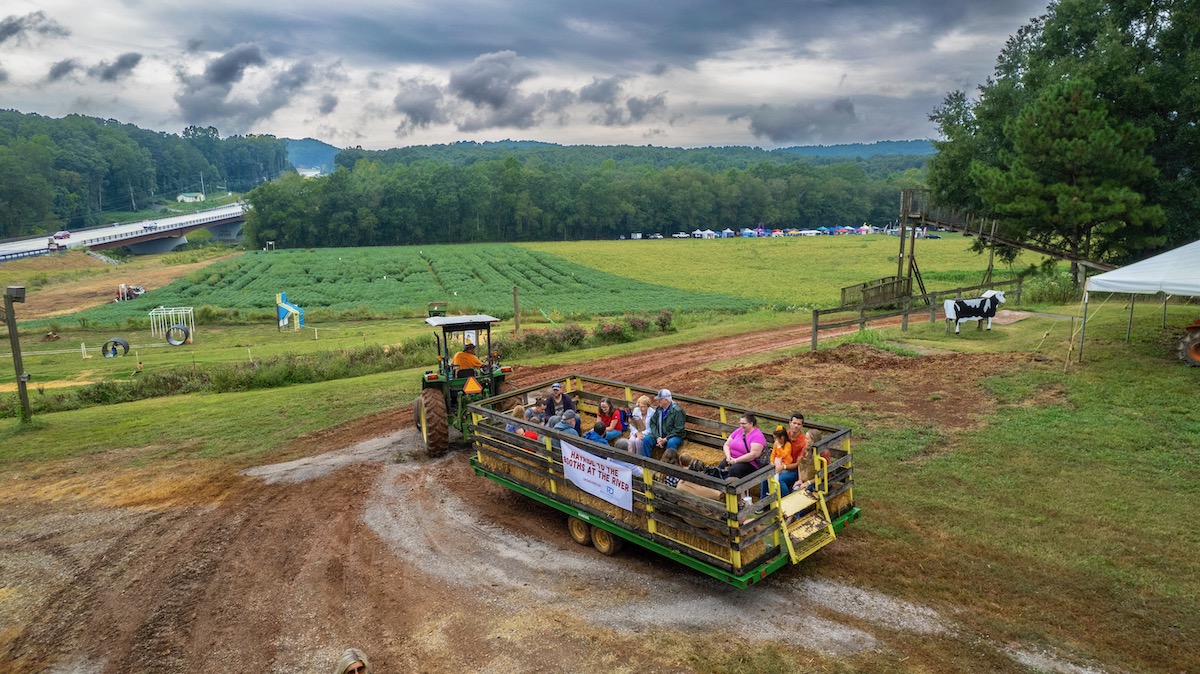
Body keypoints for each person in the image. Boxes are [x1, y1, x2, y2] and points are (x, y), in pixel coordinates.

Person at [718, 413, 767, 480]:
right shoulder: (739, 431)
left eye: (744, 424)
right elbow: (727, 444)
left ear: (751, 424)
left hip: (749, 463)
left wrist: (736, 461)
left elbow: (753, 455)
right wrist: (728, 456)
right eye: (740, 423)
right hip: (732, 458)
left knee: (734, 470)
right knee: (720, 467)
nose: (741, 426)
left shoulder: (757, 436)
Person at [640, 389, 686, 458]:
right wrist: (657, 437)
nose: (658, 401)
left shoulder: (677, 411)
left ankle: (669, 465)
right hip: (660, 435)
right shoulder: (659, 409)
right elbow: (653, 422)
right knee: (646, 439)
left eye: (660, 399)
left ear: (666, 400)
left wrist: (666, 439)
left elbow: (679, 429)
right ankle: (645, 464)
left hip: (673, 436)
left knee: (671, 442)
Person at [762, 425, 803, 498]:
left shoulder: (788, 445)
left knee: (779, 479)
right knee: (765, 477)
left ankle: (784, 497)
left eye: (776, 438)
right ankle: (764, 497)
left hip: (786, 466)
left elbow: (784, 454)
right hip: (777, 464)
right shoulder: (776, 444)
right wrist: (771, 462)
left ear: (782, 438)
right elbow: (773, 454)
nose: (775, 441)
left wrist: (779, 446)